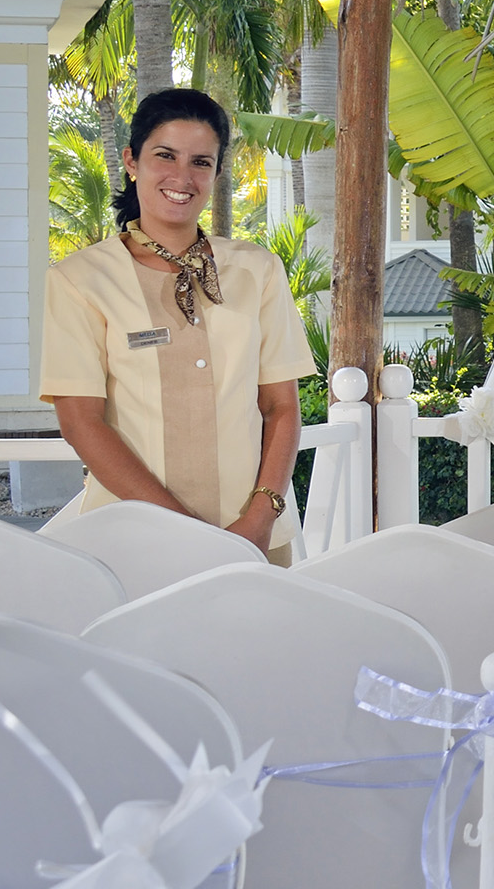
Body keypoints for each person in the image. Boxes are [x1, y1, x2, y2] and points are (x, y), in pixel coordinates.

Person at [42, 87, 316, 560]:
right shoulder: (79, 281)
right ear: (132, 161)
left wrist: (261, 516)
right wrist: (182, 531)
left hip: (252, 538)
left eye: (200, 162)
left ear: (216, 172)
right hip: (133, 540)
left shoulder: (258, 271)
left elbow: (280, 408)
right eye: (165, 156)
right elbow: (81, 423)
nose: (182, 177)